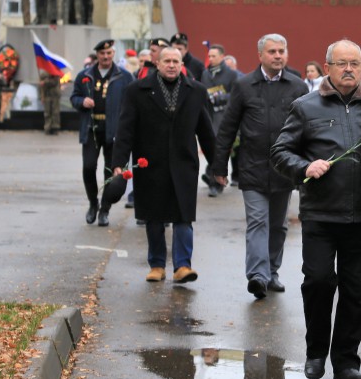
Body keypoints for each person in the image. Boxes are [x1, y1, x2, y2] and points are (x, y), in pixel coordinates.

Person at [271, 39, 361, 379]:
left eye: (355, 63)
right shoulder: (306, 107)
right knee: (319, 283)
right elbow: (280, 152)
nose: (349, 69)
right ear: (328, 67)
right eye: (341, 63)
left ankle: (346, 362)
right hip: (320, 215)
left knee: (356, 292)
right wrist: (305, 167)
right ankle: (315, 352)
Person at [212, 34, 308, 299]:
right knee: (257, 221)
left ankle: (272, 272)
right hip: (252, 167)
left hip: (284, 168)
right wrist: (219, 166)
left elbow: (308, 130)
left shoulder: (298, 87)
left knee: (278, 226)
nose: (278, 56)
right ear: (260, 56)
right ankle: (257, 275)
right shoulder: (244, 85)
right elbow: (228, 127)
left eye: (281, 51)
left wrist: (305, 167)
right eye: (272, 51)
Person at [111, 46, 216, 284]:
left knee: (183, 215)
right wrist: (118, 163)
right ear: (157, 64)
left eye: (175, 61)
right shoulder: (137, 90)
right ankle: (157, 265)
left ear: (182, 65)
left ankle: (182, 266)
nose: (171, 65)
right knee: (154, 216)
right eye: (166, 61)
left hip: (184, 162)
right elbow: (125, 129)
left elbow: (206, 131)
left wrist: (217, 166)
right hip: (150, 162)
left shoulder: (196, 91)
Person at [70, 39, 134, 226]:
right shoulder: (85, 75)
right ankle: (93, 203)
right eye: (102, 54)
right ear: (97, 55)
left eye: (109, 53)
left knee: (110, 171)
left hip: (114, 131)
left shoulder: (124, 76)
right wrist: (82, 102)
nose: (105, 57)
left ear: (113, 54)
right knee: (88, 167)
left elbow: (133, 101)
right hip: (91, 128)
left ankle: (105, 209)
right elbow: (74, 97)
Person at [201, 43, 240, 197]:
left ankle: (216, 183)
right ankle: (214, 178)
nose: (210, 58)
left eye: (213, 56)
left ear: (222, 56)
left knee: (220, 150)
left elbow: (237, 95)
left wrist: (221, 97)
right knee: (212, 150)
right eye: (209, 56)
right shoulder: (205, 74)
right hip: (209, 116)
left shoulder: (231, 74)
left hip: (224, 117)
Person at [39, 69, 62, 135]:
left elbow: (54, 82)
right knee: (47, 112)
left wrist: (45, 81)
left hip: (55, 95)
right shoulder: (43, 74)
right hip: (46, 95)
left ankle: (55, 127)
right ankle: (47, 127)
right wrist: (42, 96)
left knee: (55, 112)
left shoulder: (55, 72)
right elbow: (41, 85)